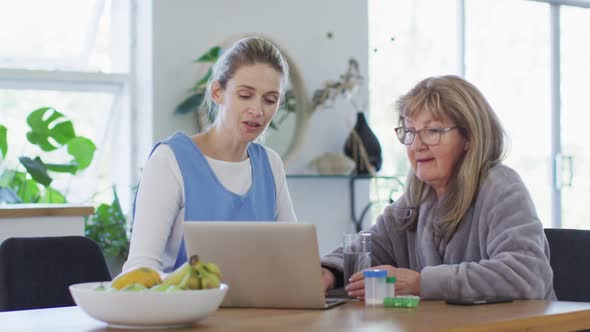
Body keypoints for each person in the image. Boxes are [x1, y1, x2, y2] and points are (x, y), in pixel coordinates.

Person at [321, 75, 556, 300]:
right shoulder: (417, 197)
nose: (417, 145)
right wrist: (329, 272)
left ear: (469, 137)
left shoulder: (501, 187)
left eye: (432, 131)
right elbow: (371, 247)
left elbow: (526, 275)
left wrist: (421, 283)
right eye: (410, 131)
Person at [123, 37, 297, 274]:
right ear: (217, 92)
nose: (258, 110)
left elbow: (292, 255)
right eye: (245, 95)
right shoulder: (170, 160)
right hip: (183, 308)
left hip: (256, 309)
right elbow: (141, 268)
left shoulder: (270, 164)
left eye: (270, 100)